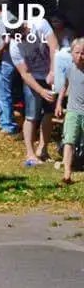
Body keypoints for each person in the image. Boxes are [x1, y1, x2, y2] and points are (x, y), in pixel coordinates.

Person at [10, 16, 57, 166]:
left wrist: (53, 71)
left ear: (26, 27)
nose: (20, 40)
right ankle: (30, 153)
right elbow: (24, 73)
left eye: (22, 35)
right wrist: (41, 90)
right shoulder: (14, 46)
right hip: (33, 78)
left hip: (49, 73)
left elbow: (54, 46)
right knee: (31, 116)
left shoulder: (40, 24)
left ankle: (43, 149)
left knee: (49, 113)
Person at [56, 38, 84, 184]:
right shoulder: (69, 69)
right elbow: (64, 87)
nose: (80, 56)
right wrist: (59, 104)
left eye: (83, 53)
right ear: (72, 53)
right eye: (77, 53)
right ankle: (67, 172)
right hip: (73, 110)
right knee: (69, 140)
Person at [0, 0, 19, 135]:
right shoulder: (12, 18)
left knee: (2, 93)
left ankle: (8, 125)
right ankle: (2, 122)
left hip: (5, 61)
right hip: (7, 60)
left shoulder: (3, 18)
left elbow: (6, 40)